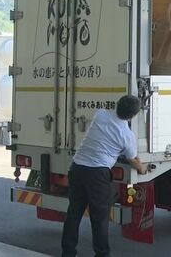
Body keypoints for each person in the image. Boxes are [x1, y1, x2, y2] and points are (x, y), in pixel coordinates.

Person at [62, 95, 148, 257]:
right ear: (132, 116)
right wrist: (143, 169)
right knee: (99, 218)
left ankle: (68, 253)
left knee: (73, 214)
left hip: (77, 168)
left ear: (117, 105)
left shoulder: (100, 114)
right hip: (97, 174)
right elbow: (133, 160)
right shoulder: (127, 135)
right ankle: (102, 254)